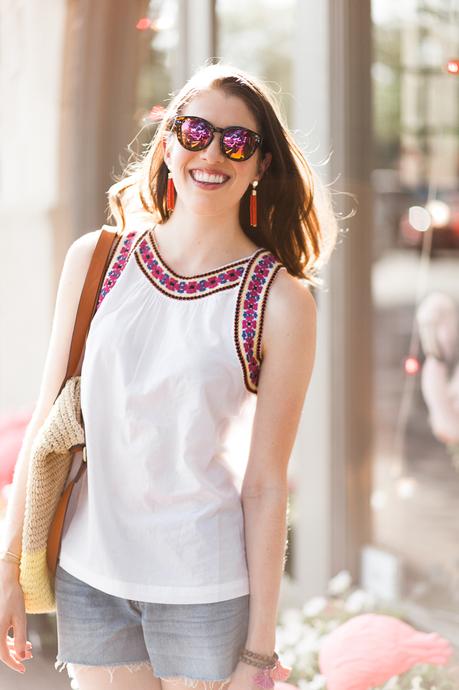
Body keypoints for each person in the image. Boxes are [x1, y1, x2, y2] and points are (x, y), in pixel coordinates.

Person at [0, 61, 338, 690]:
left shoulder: (280, 301)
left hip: (205, 590)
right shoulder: (97, 261)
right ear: (167, 143)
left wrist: (259, 651)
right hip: (90, 575)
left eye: (237, 142)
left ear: (262, 164)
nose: (212, 153)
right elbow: (50, 419)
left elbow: (265, 486)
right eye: (195, 132)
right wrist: (9, 567)